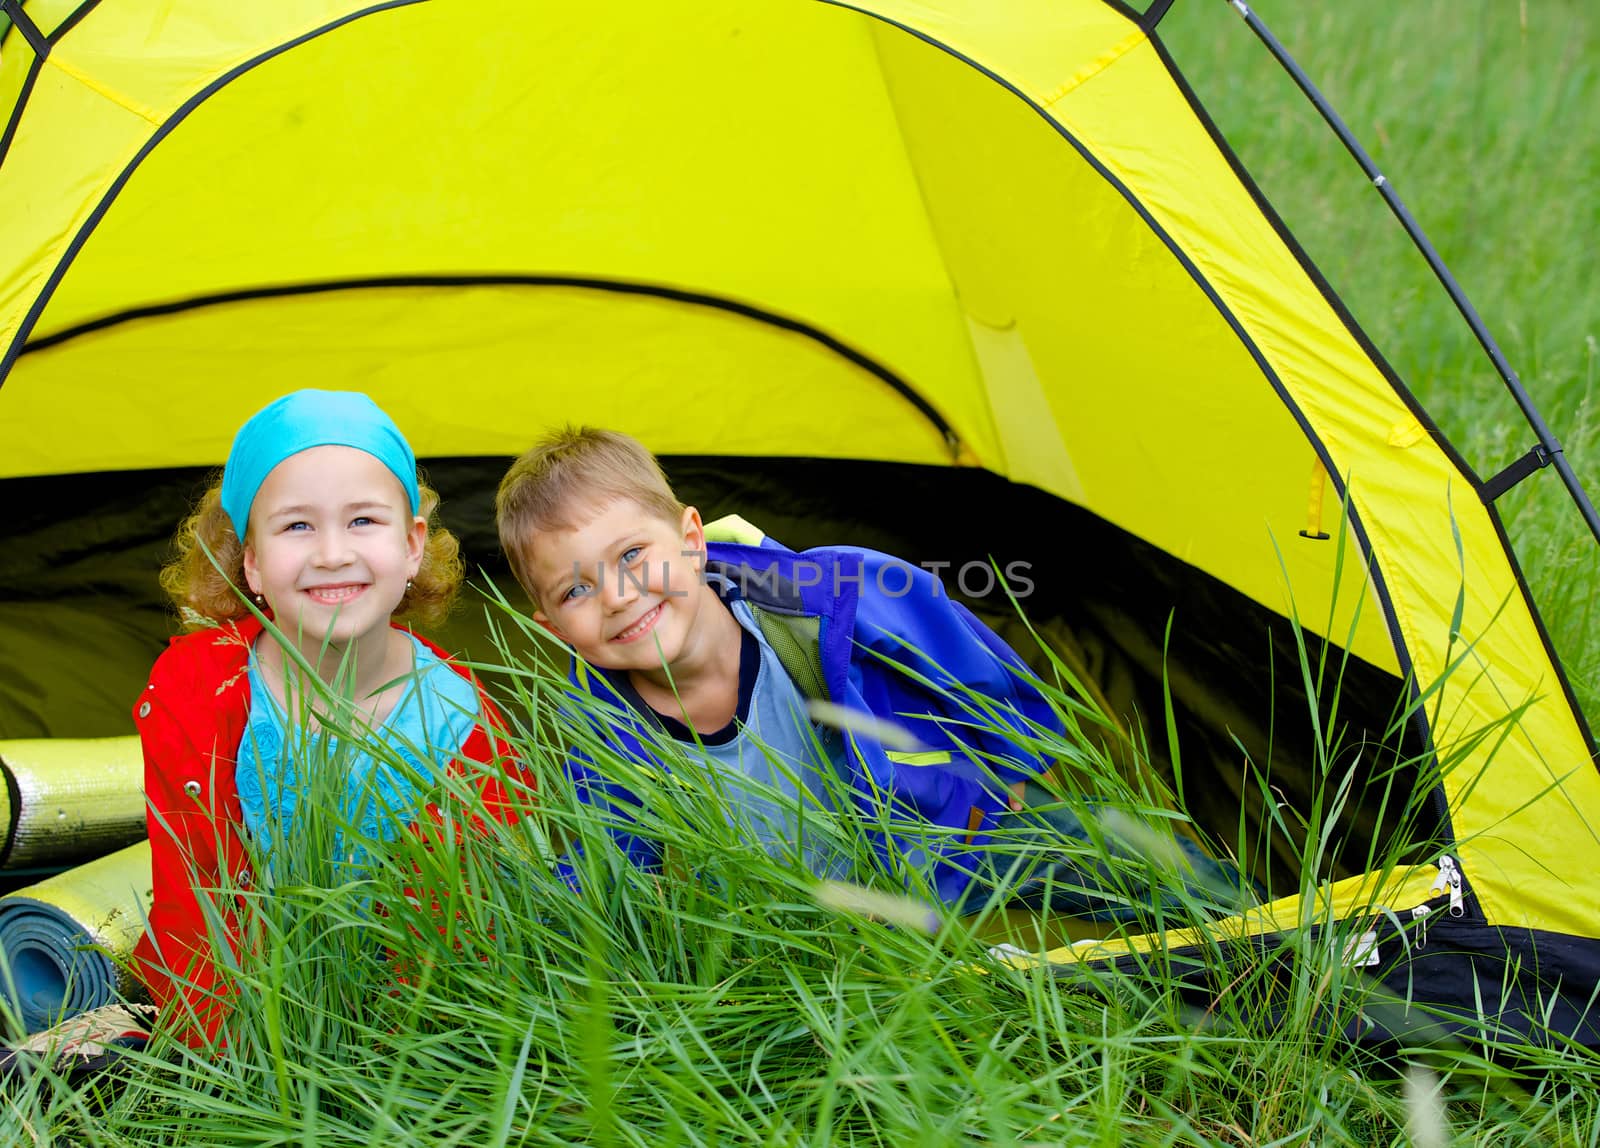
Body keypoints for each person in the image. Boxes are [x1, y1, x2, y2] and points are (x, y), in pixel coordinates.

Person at [494, 426, 1249, 920]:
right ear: (552, 627)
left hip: (952, 845)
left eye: (631, 556)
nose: (620, 596)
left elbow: (977, 673)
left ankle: (1297, 956)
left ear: (691, 539)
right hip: (798, 930)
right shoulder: (602, 726)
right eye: (576, 589)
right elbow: (611, 864)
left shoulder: (834, 598)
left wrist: (1001, 786)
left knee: (1117, 859)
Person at [129, 389, 527, 1048]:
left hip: (411, 1041)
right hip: (232, 1026)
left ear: (412, 547)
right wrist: (235, 1067)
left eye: (363, 521)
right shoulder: (196, 693)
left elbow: (469, 948)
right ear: (250, 560)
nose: (333, 553)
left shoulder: (469, 733)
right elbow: (190, 911)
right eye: (296, 526)